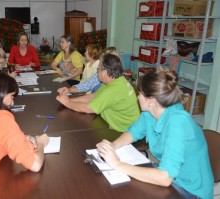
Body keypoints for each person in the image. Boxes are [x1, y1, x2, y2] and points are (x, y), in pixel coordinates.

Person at [96, 67, 214, 199]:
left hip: (191, 189)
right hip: (173, 176)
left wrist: (118, 164)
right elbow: (133, 132)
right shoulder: (150, 113)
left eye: (140, 93)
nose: (137, 97)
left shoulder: (178, 123)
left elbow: (165, 177)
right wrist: (113, 146)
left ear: (150, 100)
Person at [56, 53, 140, 132]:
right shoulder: (115, 80)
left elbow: (88, 108)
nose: (97, 72)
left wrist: (67, 102)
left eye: (98, 70)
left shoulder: (113, 89)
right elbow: (93, 96)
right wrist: (69, 100)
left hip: (124, 132)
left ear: (105, 72)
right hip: (116, 126)